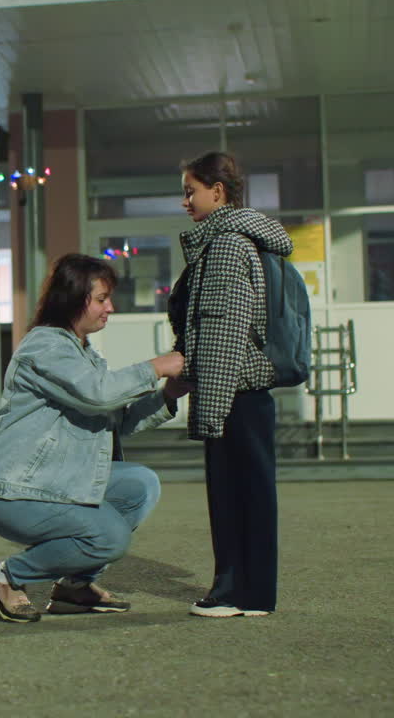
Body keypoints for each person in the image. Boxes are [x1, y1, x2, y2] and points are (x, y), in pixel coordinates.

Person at [0, 253, 187, 623]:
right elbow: (98, 393)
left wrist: (168, 395)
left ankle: (75, 586)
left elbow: (114, 419)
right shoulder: (45, 346)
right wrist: (158, 366)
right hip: (17, 490)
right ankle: (8, 578)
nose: (110, 308)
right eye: (102, 299)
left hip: (58, 477)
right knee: (110, 538)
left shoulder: (83, 354)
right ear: (74, 298)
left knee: (139, 483)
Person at [168, 151, 294, 618]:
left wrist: (210, 408)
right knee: (253, 495)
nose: (185, 201)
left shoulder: (224, 246)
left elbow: (223, 331)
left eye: (190, 190)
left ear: (216, 192)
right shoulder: (238, 241)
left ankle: (236, 592)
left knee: (234, 496)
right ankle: (253, 593)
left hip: (233, 391)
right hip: (243, 392)